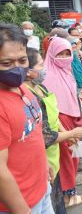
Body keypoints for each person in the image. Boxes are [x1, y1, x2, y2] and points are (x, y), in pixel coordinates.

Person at [25, 47, 82, 213]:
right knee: (51, 203)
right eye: (40, 65)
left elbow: (53, 115)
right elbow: (45, 136)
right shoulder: (28, 96)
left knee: (57, 201)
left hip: (52, 158)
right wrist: (71, 133)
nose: (43, 68)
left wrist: (67, 134)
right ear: (28, 71)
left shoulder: (41, 88)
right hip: (43, 158)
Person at [0, 23, 53, 213]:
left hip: (42, 191)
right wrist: (22, 210)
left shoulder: (23, 89)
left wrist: (44, 164)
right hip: (20, 205)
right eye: (7, 63)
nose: (17, 68)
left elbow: (33, 132)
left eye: (22, 61)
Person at [43, 37, 82, 208]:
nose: (64, 57)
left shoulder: (67, 70)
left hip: (74, 117)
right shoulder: (47, 75)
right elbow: (51, 108)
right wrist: (66, 130)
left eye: (67, 53)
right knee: (67, 158)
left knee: (76, 155)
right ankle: (69, 195)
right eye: (59, 54)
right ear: (51, 54)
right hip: (61, 121)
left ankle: (70, 190)